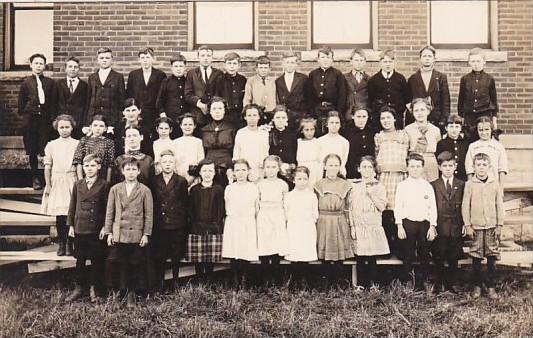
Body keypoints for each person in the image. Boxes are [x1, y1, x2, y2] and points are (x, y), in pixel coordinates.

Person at [104, 157, 153, 307]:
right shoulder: (115, 189)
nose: (130, 172)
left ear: (138, 171)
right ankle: (120, 292)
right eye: (127, 169)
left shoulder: (145, 190)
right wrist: (109, 232)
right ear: (122, 171)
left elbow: (148, 214)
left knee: (135, 263)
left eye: (133, 169)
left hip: (136, 234)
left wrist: (146, 234)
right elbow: (109, 212)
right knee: (119, 263)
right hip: (119, 233)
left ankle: (132, 293)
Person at [65, 154, 109, 302]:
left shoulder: (104, 185)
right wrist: (71, 224)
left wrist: (105, 226)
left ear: (99, 167)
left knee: (97, 260)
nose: (89, 169)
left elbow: (107, 208)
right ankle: (78, 288)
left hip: (96, 229)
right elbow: (72, 206)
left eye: (92, 166)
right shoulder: (78, 184)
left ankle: (94, 289)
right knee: (80, 259)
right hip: (79, 227)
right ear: (83, 167)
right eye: (86, 166)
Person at [462, 152, 504, 299]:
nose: (481, 168)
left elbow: (499, 204)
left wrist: (499, 224)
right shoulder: (469, 184)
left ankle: (491, 286)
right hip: (477, 227)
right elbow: (465, 206)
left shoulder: (495, 183)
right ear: (473, 167)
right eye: (478, 165)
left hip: (492, 226)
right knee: (476, 257)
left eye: (484, 165)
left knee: (492, 256)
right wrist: (468, 225)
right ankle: (477, 286)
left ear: (489, 166)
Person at [395, 152, 438, 291]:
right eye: (412, 166)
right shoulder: (402, 186)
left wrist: (432, 226)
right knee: (408, 252)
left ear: (422, 168)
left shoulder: (427, 186)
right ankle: (409, 280)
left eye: (418, 166)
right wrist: (399, 225)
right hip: (408, 223)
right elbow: (398, 206)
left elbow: (432, 207)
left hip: (424, 223)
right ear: (407, 168)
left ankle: (422, 280)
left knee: (424, 252)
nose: (415, 169)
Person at [150, 150, 189, 292]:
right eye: (164, 162)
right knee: (159, 254)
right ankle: (160, 282)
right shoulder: (153, 180)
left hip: (176, 224)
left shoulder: (181, 181)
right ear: (159, 164)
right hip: (159, 224)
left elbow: (184, 203)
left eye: (170, 162)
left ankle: (175, 282)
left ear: (174, 163)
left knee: (176, 255)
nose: (167, 165)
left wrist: (182, 222)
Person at [348, 156, 389, 289]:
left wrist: (372, 194)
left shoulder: (379, 186)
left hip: (373, 225)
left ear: (374, 170)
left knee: (372, 256)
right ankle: (360, 284)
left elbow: (382, 207)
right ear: (359, 169)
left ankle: (373, 285)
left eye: (370, 167)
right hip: (359, 226)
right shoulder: (353, 186)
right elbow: (349, 207)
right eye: (364, 167)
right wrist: (352, 226)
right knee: (360, 255)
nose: (367, 170)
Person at [17, 53, 57, 189]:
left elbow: (53, 102)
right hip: (31, 120)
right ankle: (35, 178)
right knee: (32, 149)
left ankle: (48, 177)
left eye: (41, 63)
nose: (38, 66)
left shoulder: (50, 83)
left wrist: (51, 119)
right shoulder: (26, 83)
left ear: (44, 66)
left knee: (45, 148)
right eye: (36, 63)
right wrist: (29, 114)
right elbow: (21, 105)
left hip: (45, 121)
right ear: (31, 65)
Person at [41, 115, 79, 256]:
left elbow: (79, 165)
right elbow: (47, 167)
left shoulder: (77, 143)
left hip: (71, 179)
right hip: (57, 181)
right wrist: (49, 185)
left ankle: (70, 242)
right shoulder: (52, 145)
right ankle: (61, 243)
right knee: (60, 215)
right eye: (61, 127)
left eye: (67, 127)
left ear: (72, 127)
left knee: (71, 213)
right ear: (57, 128)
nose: (64, 130)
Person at [374, 106, 410, 254]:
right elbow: (377, 158)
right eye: (383, 118)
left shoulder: (403, 135)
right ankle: (386, 249)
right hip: (384, 178)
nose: (386, 121)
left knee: (399, 210)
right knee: (385, 212)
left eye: (389, 117)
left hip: (399, 177)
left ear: (395, 118)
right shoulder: (378, 137)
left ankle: (400, 250)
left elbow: (407, 155)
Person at [314, 153, 354, 284]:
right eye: (330, 165)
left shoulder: (345, 184)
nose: (333, 168)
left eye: (336, 165)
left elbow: (348, 206)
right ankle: (324, 282)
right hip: (323, 220)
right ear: (325, 166)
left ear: (339, 167)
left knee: (338, 250)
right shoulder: (318, 184)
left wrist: (349, 223)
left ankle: (339, 282)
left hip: (339, 219)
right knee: (324, 250)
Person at [222, 159, 259, 288]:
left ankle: (244, 281)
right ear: (233, 173)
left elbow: (256, 208)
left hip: (247, 222)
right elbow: (227, 206)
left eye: (243, 170)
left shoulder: (253, 187)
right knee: (234, 250)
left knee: (245, 251)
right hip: (233, 222)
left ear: (248, 172)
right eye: (238, 170)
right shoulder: (229, 188)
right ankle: (235, 281)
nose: (241, 173)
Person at [431, 151, 465, 294]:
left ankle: (452, 283)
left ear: (455, 166)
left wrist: (464, 223)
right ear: (439, 167)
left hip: (456, 224)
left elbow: (465, 205)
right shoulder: (433, 185)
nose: (448, 168)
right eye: (445, 166)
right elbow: (431, 206)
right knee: (439, 254)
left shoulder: (462, 184)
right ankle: (439, 282)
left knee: (454, 254)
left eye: (451, 165)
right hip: (440, 225)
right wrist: (433, 225)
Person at [186, 159, 225, 280]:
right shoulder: (194, 190)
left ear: (214, 173)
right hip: (197, 227)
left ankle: (209, 278)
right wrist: (195, 223)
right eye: (204, 171)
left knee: (210, 256)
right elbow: (190, 209)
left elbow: (221, 210)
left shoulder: (218, 189)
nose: (207, 173)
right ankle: (199, 278)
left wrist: (216, 224)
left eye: (210, 170)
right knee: (199, 256)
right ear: (200, 173)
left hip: (213, 227)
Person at [256, 155, 289, 286]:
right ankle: (265, 280)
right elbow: (257, 202)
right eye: (268, 167)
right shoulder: (260, 184)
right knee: (265, 245)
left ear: (278, 168)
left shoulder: (283, 184)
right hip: (264, 215)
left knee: (276, 245)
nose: (270, 170)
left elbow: (285, 203)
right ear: (264, 169)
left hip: (278, 215)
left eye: (273, 167)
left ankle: (276, 279)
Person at [284, 166, 319, 287]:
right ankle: (295, 281)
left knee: (305, 253)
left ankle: (306, 281)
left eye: (305, 179)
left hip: (307, 227)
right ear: (293, 180)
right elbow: (287, 213)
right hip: (294, 227)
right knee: (295, 253)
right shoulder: (289, 196)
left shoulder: (311, 196)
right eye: (299, 179)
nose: (302, 182)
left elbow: (315, 214)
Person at [458, 48, 499, 142]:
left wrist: (494, 119)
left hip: (485, 115)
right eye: (473, 61)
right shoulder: (465, 79)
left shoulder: (489, 79)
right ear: (469, 62)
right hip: (469, 117)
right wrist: (461, 117)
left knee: (485, 140)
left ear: (484, 62)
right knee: (469, 141)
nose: (475, 64)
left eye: (478, 61)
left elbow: (494, 100)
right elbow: (461, 100)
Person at [407, 45, 450, 134]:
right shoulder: (413, 78)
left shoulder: (441, 77)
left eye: (429, 56)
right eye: (424, 56)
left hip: (436, 120)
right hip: (418, 120)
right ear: (420, 58)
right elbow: (409, 101)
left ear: (434, 58)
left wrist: (443, 120)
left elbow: (445, 102)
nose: (427, 58)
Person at [126, 47, 166, 135]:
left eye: (148, 57)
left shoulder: (160, 75)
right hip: (138, 114)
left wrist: (161, 112)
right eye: (142, 58)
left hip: (154, 113)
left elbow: (162, 95)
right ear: (139, 60)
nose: (145, 60)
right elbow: (129, 94)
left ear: (152, 59)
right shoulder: (133, 75)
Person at [368, 49, 411, 130]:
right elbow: (370, 100)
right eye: (385, 62)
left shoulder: (400, 79)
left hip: (397, 118)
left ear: (394, 63)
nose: (388, 64)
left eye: (390, 62)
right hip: (379, 119)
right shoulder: (373, 80)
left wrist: (398, 111)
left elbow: (406, 99)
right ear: (380, 63)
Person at [308, 46, 347, 136]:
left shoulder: (337, 74)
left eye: (328, 57)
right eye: (323, 57)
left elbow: (342, 96)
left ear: (332, 60)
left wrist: (338, 113)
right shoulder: (313, 74)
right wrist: (312, 114)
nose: (325, 60)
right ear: (318, 59)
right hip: (317, 111)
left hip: (332, 110)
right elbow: (309, 95)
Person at [200, 97, 236, 186]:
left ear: (224, 110)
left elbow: (235, 150)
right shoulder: (204, 129)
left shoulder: (231, 128)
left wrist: (231, 167)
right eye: (214, 109)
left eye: (220, 108)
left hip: (227, 166)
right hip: (209, 166)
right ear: (210, 111)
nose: (217, 111)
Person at [86, 47, 125, 127]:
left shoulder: (118, 77)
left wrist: (118, 118)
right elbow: (88, 99)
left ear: (111, 60)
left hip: (112, 119)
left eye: (107, 58)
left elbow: (121, 100)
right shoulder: (92, 77)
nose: (104, 60)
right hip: (95, 119)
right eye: (101, 58)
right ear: (97, 60)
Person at [185, 45, 223, 127]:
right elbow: (188, 94)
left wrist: (210, 107)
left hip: (213, 115)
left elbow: (220, 94)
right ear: (198, 57)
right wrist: (200, 104)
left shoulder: (218, 74)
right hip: (197, 115)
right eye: (202, 56)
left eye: (208, 56)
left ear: (212, 57)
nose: (206, 58)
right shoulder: (191, 73)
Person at [404, 98, 441, 182]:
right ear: (412, 113)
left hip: (430, 161)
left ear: (428, 111)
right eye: (416, 110)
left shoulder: (435, 130)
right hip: (415, 162)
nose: (419, 113)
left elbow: (438, 148)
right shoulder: (408, 130)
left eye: (422, 110)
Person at [465, 116, 508, 184]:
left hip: (493, 184)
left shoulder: (498, 146)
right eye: (481, 130)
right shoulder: (473, 146)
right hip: (477, 185)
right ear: (477, 130)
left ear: (491, 129)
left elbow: (502, 169)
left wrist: (501, 188)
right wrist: (470, 187)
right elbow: (469, 170)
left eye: (487, 129)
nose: (484, 133)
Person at [72, 114, 115, 182]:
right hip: (85, 176)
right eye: (95, 125)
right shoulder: (84, 140)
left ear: (105, 128)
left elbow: (110, 164)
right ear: (90, 127)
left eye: (101, 126)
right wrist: (81, 180)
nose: (98, 128)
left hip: (101, 178)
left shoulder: (109, 142)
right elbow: (78, 161)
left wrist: (107, 182)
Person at [232, 104, 269, 181]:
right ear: (245, 117)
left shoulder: (264, 133)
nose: (252, 118)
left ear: (259, 117)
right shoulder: (241, 133)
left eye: (255, 115)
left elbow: (266, 152)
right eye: (249, 115)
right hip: (244, 171)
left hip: (260, 170)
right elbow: (236, 154)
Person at [275, 51, 310, 130]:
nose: (290, 65)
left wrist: (307, 115)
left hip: (301, 116)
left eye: (292, 62)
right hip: (286, 118)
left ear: (296, 64)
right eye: (287, 62)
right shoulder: (278, 81)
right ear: (283, 64)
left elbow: (309, 98)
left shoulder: (303, 78)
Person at [155, 53, 188, 137]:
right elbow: (159, 102)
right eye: (176, 66)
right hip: (171, 119)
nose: (178, 69)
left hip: (186, 121)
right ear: (171, 68)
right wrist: (164, 116)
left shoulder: (188, 81)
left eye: (181, 66)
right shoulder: (166, 82)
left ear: (185, 68)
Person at [56, 56, 88, 139]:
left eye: (75, 67)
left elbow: (86, 105)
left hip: (78, 123)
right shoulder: (58, 84)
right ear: (65, 69)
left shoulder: (85, 86)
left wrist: (84, 123)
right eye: (70, 67)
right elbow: (53, 104)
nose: (73, 69)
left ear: (79, 69)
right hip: (62, 123)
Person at [340, 108, 375, 180]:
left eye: (364, 117)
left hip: (368, 172)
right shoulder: (346, 132)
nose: (361, 120)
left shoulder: (371, 132)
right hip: (351, 172)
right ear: (353, 116)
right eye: (358, 117)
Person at [215, 52, 247, 126]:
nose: (232, 66)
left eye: (234, 64)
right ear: (225, 65)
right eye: (229, 63)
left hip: (240, 116)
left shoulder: (243, 80)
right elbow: (217, 98)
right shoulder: (220, 80)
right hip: (226, 116)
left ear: (239, 65)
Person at [268, 106, 298, 186]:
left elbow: (295, 153)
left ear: (287, 119)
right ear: (273, 119)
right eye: (277, 117)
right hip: (272, 171)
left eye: (283, 117)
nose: (280, 120)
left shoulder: (292, 135)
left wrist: (290, 166)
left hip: (289, 172)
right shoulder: (268, 134)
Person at [243, 55, 277, 124]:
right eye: (261, 68)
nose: (263, 70)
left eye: (265, 68)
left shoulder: (274, 81)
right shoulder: (251, 81)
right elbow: (247, 99)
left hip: (272, 113)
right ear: (256, 69)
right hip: (257, 115)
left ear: (269, 69)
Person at [173, 113, 205, 184]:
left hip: (194, 178)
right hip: (178, 177)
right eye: (185, 124)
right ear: (180, 126)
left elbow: (200, 161)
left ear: (195, 126)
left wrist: (193, 177)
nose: (187, 127)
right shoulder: (175, 142)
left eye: (190, 124)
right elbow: (172, 160)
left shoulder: (198, 142)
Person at [436, 114, 468, 181]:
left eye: (457, 127)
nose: (454, 130)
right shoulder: (441, 144)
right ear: (446, 128)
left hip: (462, 177)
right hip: (447, 177)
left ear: (460, 128)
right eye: (451, 127)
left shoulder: (465, 143)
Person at [317, 111, 349, 177]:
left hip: (339, 173)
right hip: (323, 173)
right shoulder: (320, 141)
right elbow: (319, 160)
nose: (334, 125)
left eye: (337, 123)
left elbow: (344, 160)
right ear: (327, 124)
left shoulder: (344, 142)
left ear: (340, 125)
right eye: (331, 122)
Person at [344, 49, 370, 121]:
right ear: (351, 62)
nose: (359, 63)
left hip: (363, 116)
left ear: (365, 62)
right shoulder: (344, 78)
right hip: (348, 115)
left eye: (361, 60)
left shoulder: (369, 79)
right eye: (356, 60)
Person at [296, 118, 321, 186]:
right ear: (302, 130)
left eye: (312, 129)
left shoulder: (317, 142)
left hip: (315, 170)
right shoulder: (298, 142)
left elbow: (319, 160)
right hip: (302, 170)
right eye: (306, 130)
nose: (309, 132)